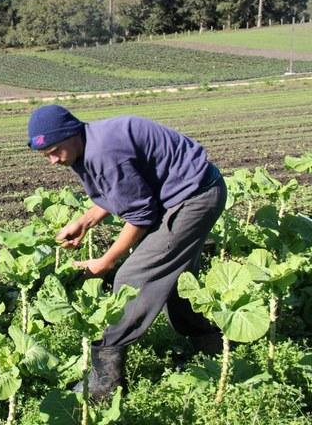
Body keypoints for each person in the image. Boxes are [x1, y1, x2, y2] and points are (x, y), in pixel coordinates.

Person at [27, 104, 226, 400]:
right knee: (175, 279)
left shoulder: (104, 152)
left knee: (132, 279)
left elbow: (141, 215)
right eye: (46, 156)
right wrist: (84, 221)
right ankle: (212, 353)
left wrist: (106, 262)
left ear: (70, 134)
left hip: (194, 198)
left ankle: (106, 384)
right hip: (188, 193)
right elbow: (120, 193)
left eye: (55, 151)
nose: (53, 161)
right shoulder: (89, 143)